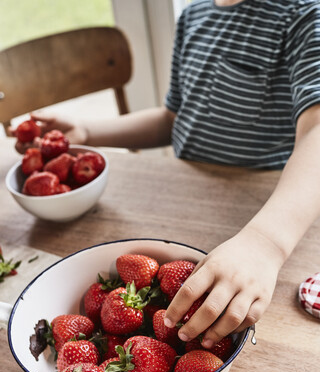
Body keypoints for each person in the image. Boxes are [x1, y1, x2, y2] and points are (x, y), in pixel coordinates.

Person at [12, 0, 320, 349]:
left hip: (264, 221)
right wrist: (86, 131)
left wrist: (265, 243)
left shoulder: (304, 15)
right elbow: (173, 119)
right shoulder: (194, 15)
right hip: (187, 207)